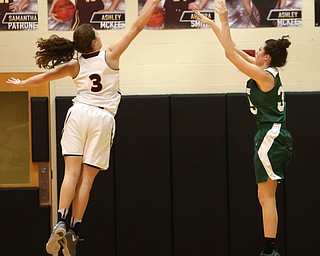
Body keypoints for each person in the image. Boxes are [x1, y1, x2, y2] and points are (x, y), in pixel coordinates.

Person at [7, 0, 161, 255]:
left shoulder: (74, 65)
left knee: (70, 173)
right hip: (101, 118)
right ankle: (74, 230)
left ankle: (60, 220)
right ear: (94, 43)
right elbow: (136, 25)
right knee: (87, 179)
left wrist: (21, 82)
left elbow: (42, 78)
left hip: (77, 113)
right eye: (97, 35)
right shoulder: (110, 54)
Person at [195, 2, 292, 256]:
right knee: (264, 196)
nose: (256, 51)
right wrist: (212, 23)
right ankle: (269, 248)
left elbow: (229, 55)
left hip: (271, 135)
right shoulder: (264, 70)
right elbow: (233, 47)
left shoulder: (265, 77)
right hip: (272, 135)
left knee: (266, 195)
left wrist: (225, 17)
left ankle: (270, 249)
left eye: (259, 50)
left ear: (267, 56)